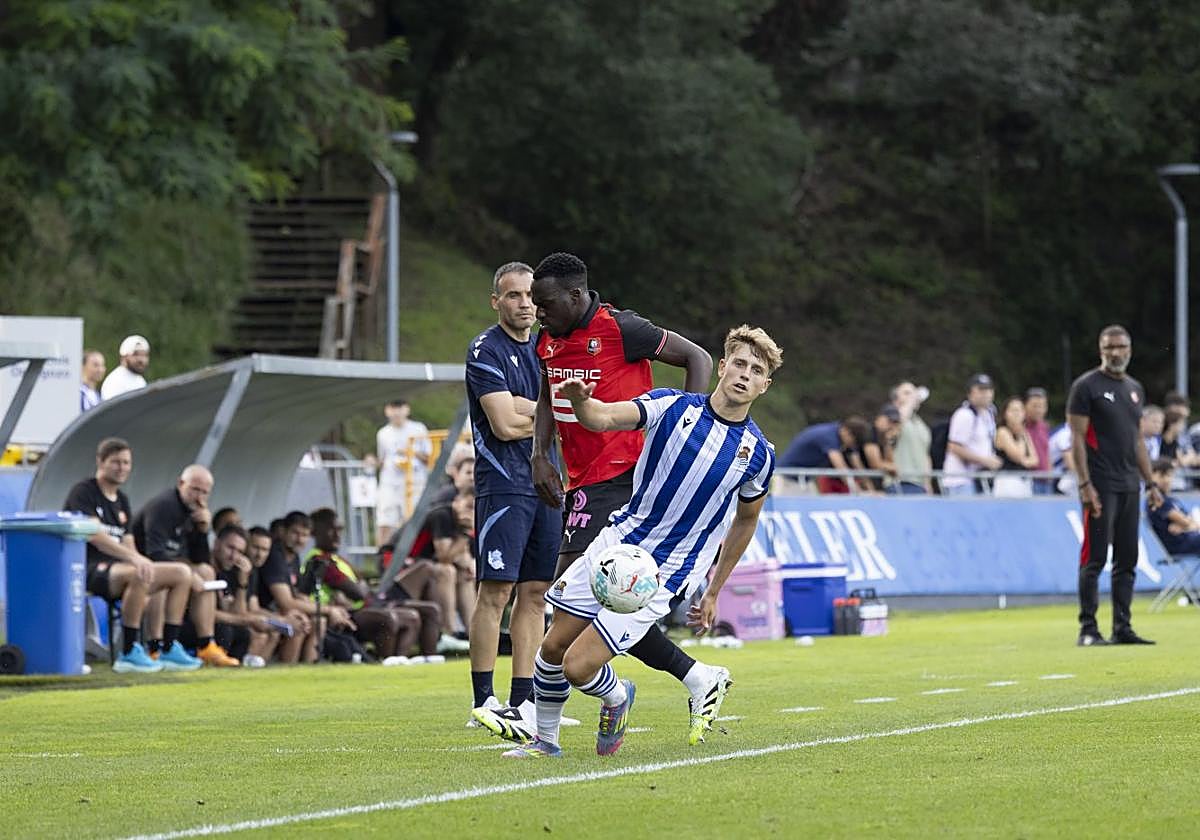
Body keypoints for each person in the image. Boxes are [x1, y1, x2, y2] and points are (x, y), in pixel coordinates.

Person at [500, 325, 780, 759]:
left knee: (577, 665)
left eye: (756, 370)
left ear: (764, 385)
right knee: (552, 646)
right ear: (723, 367)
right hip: (615, 544)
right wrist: (579, 402)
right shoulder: (670, 405)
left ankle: (615, 698)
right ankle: (546, 743)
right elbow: (603, 417)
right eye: (739, 363)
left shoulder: (757, 454)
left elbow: (745, 522)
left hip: (661, 573)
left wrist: (714, 588)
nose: (744, 374)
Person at [526, 251, 729, 744]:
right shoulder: (547, 341)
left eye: (546, 303)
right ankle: (686, 677)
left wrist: (690, 427)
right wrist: (539, 454)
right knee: (591, 601)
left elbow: (697, 358)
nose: (538, 313)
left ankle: (551, 720)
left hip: (626, 477)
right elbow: (548, 400)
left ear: (576, 295)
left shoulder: (622, 328)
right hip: (581, 480)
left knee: (579, 592)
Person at [463, 261, 563, 733]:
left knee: (536, 592)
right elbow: (503, 425)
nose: (525, 303)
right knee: (496, 592)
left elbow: (557, 409)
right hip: (503, 484)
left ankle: (523, 702)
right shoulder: (486, 349)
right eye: (514, 295)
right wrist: (549, 415)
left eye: (530, 295)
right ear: (496, 301)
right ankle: (484, 700)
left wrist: (535, 411)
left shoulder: (550, 348)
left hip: (549, 483)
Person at [62, 438, 201, 673]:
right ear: (100, 461)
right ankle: (128, 652)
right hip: (89, 568)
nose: (122, 467)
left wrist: (141, 559)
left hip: (122, 569)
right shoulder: (84, 492)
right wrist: (137, 560)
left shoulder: (122, 500)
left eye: (126, 462)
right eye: (116, 462)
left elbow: (128, 542)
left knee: (182, 573)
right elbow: (96, 535)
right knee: (139, 572)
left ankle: (168, 648)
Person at [1068, 324, 1162, 646]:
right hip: (1100, 485)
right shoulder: (1086, 386)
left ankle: (1122, 627)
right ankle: (1088, 629)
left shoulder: (1134, 388)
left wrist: (1150, 483)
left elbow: (1137, 440)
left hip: (1128, 485)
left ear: (1130, 350)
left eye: (1121, 346)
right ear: (1100, 350)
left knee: (1127, 560)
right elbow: (1077, 438)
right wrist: (1084, 484)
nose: (1115, 352)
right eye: (1109, 347)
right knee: (1094, 558)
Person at [130, 464, 239, 666]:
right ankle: (156, 647)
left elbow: (201, 559)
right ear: (181, 484)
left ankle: (206, 645)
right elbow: (155, 553)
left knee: (206, 571)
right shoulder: (163, 506)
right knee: (166, 577)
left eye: (204, 493)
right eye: (195, 490)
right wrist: (188, 572)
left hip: (173, 567)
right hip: (140, 568)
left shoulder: (194, 511)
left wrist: (203, 530)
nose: (199, 497)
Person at [302, 508, 427, 661]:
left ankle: (400, 661)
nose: (337, 535)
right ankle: (384, 662)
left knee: (413, 616)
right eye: (331, 530)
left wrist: (359, 587)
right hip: (343, 615)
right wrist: (359, 587)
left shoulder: (336, 559)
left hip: (358, 607)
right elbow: (359, 592)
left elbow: (361, 587)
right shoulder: (320, 560)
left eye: (339, 530)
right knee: (387, 618)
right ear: (315, 533)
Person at [375, 399, 432, 545]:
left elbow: (429, 457)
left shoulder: (418, 429)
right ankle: (383, 559)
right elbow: (382, 459)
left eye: (399, 408)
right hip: (390, 483)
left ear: (406, 409)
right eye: (393, 408)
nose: (396, 412)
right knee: (385, 521)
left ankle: (411, 556)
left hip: (414, 482)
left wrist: (410, 452)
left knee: (413, 522)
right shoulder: (383, 433)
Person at [941, 373, 1001, 496]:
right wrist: (984, 461)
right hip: (961, 480)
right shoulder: (965, 414)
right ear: (970, 393)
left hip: (979, 479)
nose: (986, 393)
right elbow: (954, 447)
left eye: (989, 389)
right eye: (981, 390)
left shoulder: (988, 415)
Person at [778, 417, 871, 493]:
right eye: (853, 442)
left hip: (804, 478)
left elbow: (858, 465)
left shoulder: (841, 433)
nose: (851, 446)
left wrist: (871, 490)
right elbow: (841, 469)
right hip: (787, 476)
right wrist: (859, 493)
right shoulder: (828, 436)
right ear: (847, 432)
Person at [1146, 458, 1200, 555]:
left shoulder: (1169, 499)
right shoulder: (1157, 500)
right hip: (1179, 544)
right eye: (1163, 475)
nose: (1167, 480)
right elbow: (1186, 522)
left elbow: (1189, 520)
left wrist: (1183, 527)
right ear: (1153, 476)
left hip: (1190, 538)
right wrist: (1187, 525)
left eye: (1170, 475)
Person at [891, 381, 932, 494]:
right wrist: (910, 402)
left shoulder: (921, 424)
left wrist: (927, 483)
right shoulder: (891, 416)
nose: (913, 396)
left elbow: (926, 455)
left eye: (913, 392)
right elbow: (896, 426)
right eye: (906, 393)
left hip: (920, 484)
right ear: (896, 399)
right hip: (900, 482)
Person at [993, 396, 1038, 498]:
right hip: (1007, 482)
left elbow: (1035, 460)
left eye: (1020, 410)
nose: (1017, 414)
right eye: (1013, 410)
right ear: (1005, 413)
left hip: (1025, 481)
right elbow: (1017, 456)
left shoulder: (1025, 433)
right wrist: (1019, 436)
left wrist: (1025, 461)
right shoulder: (1002, 432)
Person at [861, 405, 901, 492]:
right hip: (862, 483)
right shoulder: (870, 433)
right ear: (879, 418)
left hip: (876, 484)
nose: (891, 425)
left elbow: (890, 462)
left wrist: (888, 441)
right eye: (889, 421)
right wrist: (891, 468)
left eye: (895, 422)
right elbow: (876, 464)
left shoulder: (885, 437)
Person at [100, 334, 150, 400]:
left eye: (144, 355)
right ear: (124, 357)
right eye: (136, 354)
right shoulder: (115, 381)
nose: (141, 360)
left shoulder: (140, 380)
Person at [1024, 387, 1053, 495]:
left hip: (1046, 481)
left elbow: (1047, 451)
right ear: (1025, 405)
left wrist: (1050, 474)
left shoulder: (1044, 426)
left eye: (1042, 406)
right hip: (1030, 481)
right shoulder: (1020, 427)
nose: (1039, 410)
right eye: (1035, 406)